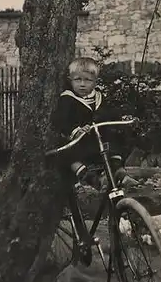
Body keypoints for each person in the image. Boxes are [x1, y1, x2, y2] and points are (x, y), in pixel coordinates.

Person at [51, 56, 138, 189]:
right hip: (80, 142)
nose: (82, 84)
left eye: (87, 80)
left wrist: (122, 118)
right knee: (64, 152)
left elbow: (110, 113)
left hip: (98, 140)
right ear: (70, 80)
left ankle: (120, 173)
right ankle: (88, 177)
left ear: (95, 82)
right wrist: (75, 130)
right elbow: (61, 120)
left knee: (117, 141)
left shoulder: (99, 97)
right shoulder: (68, 99)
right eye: (78, 80)